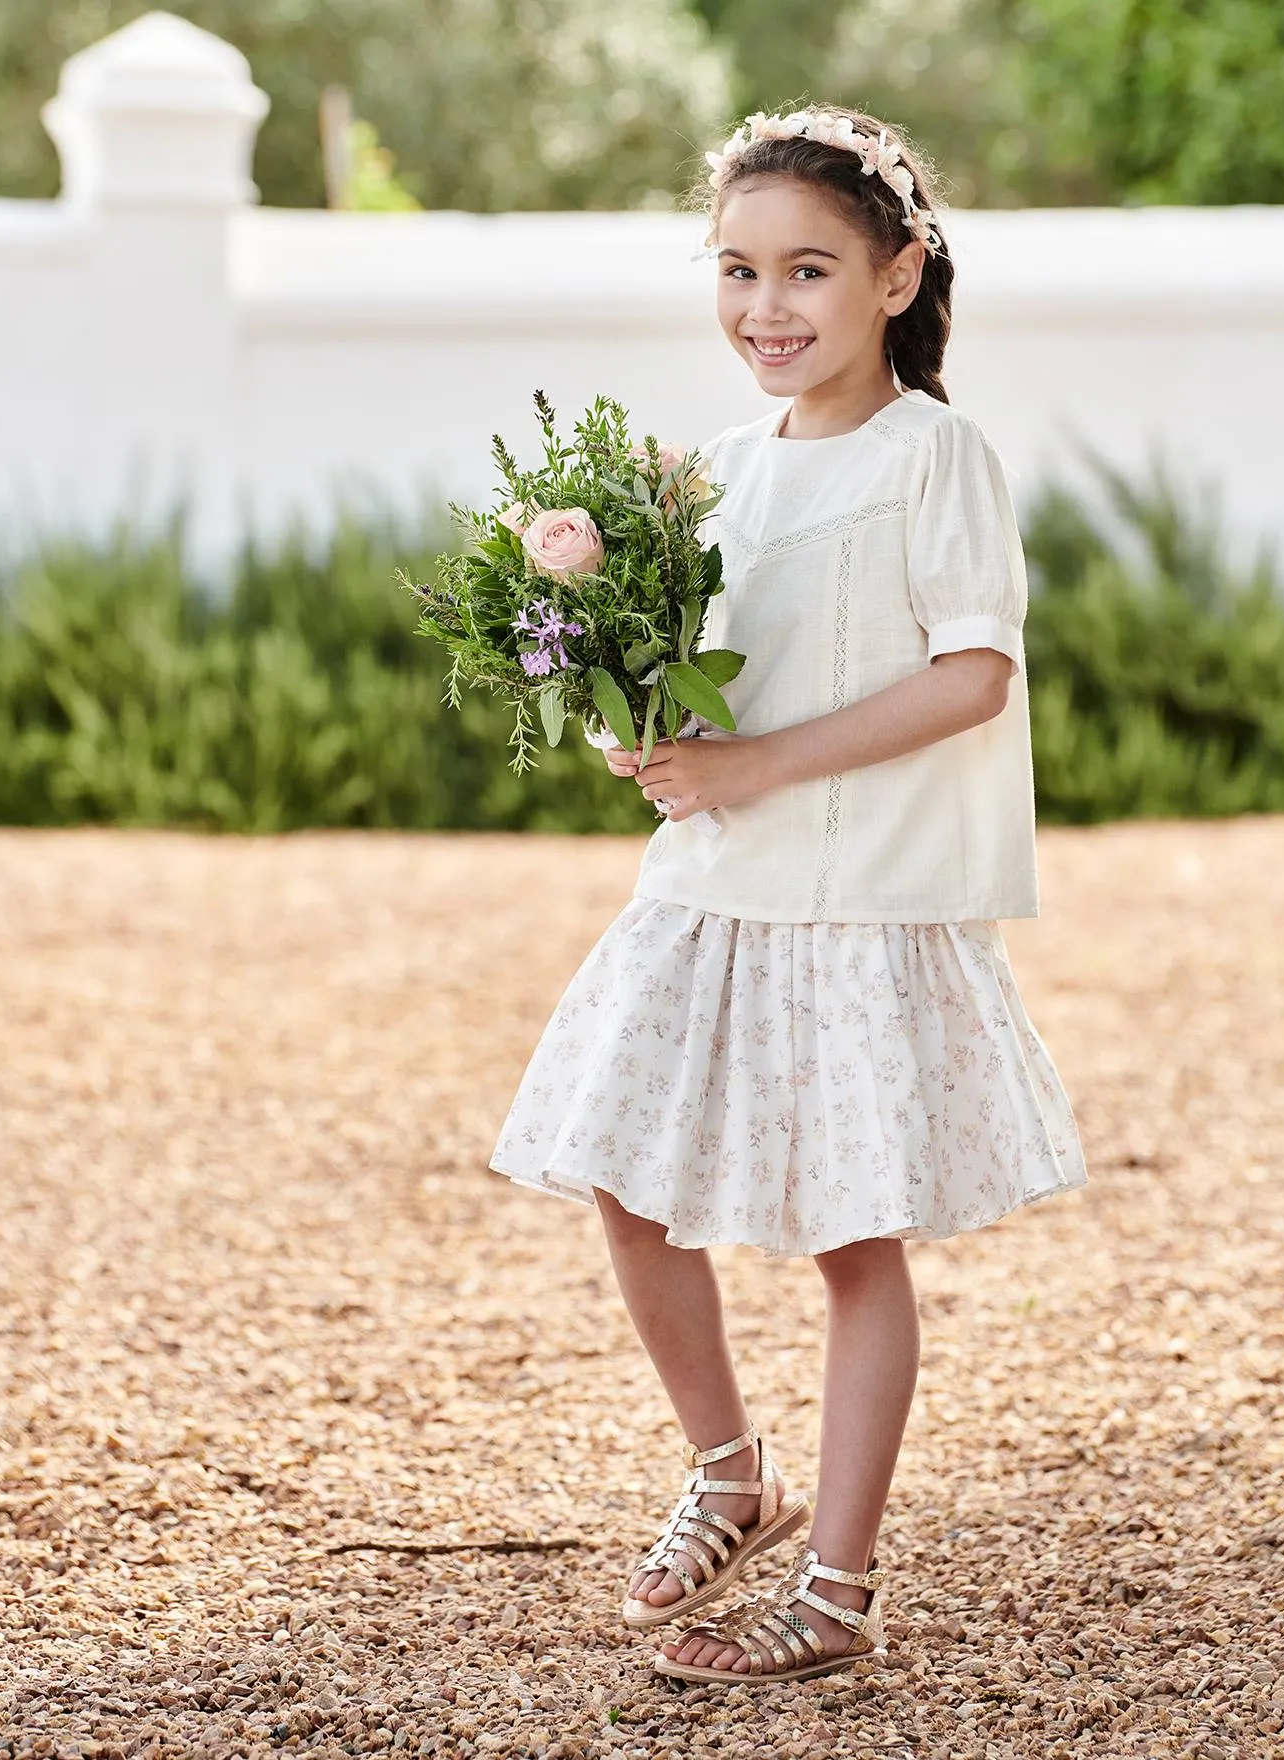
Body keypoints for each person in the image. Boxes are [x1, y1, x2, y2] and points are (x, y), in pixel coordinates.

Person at [489, 104, 1086, 1686]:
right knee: (624, 1174)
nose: (770, 307)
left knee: (849, 1240)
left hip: (856, 902)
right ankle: (730, 1472)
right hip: (711, 892)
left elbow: (973, 679)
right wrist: (654, 735)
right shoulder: (710, 476)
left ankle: (835, 1583)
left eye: (810, 270)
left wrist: (764, 768)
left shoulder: (935, 454)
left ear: (897, 277)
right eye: (741, 270)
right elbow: (711, 679)